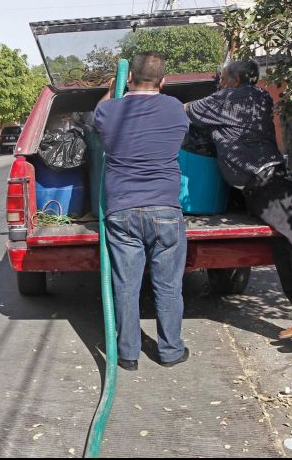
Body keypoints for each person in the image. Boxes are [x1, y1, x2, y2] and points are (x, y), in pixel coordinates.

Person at [185, 60, 292, 342]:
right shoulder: (260, 96)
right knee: (284, 250)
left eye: (222, 79)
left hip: (267, 183)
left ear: (233, 81)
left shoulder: (226, 99)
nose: (220, 84)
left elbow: (184, 110)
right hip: (274, 180)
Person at [93, 52, 190, 371]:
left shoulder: (109, 109)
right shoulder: (174, 108)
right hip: (165, 209)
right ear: (163, 82)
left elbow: (98, 118)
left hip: (122, 211)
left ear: (129, 79)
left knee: (125, 285)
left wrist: (112, 89)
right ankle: (171, 351)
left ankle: (128, 354)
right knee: (168, 285)